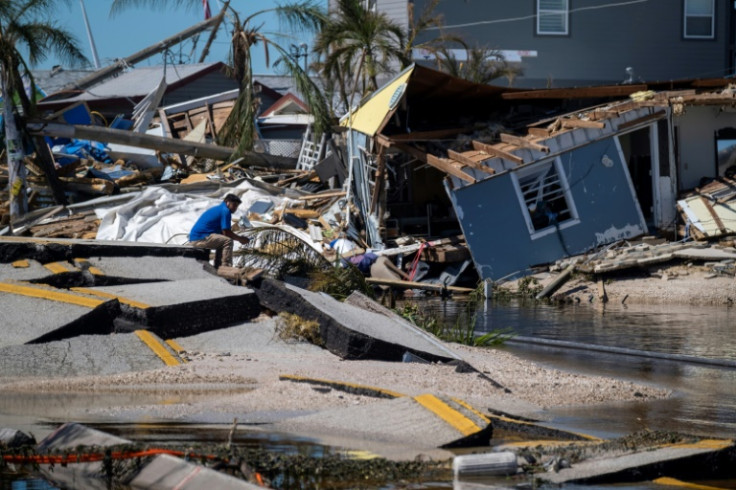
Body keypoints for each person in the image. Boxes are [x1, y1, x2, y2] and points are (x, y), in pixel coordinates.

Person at [189, 193, 250, 268]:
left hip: (196, 238)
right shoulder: (225, 211)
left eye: (237, 206)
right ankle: (225, 267)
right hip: (200, 239)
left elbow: (223, 233)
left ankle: (219, 266)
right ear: (227, 202)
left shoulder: (219, 209)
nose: (235, 208)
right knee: (228, 241)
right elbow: (227, 233)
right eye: (234, 205)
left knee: (222, 240)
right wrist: (240, 239)